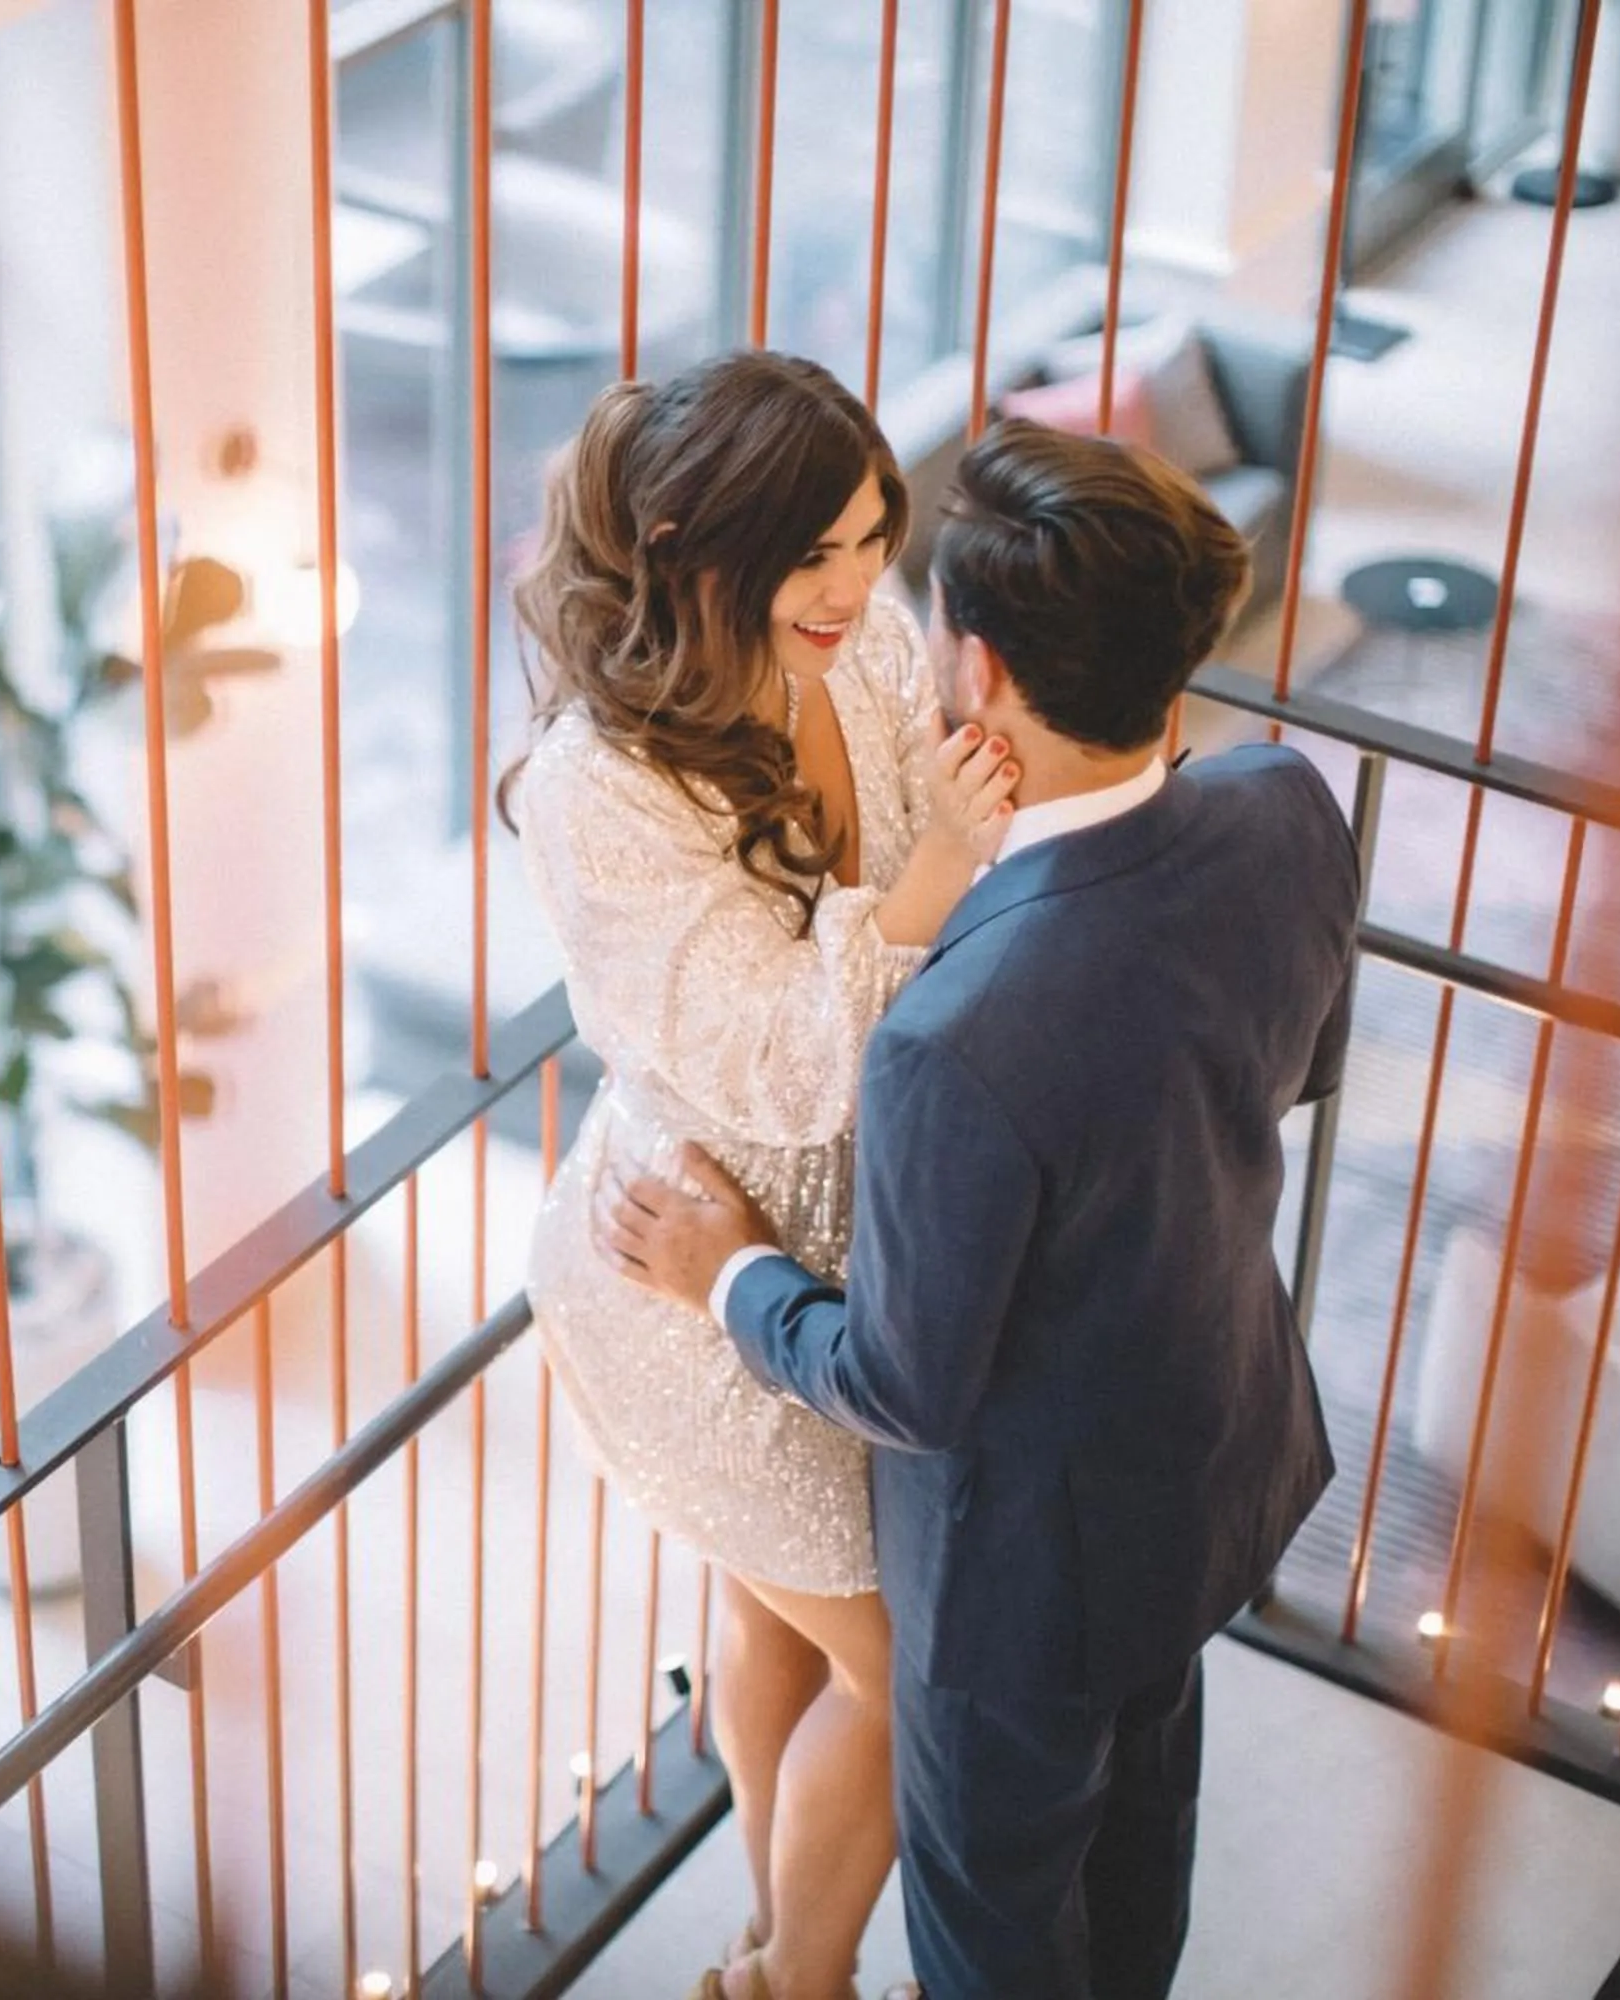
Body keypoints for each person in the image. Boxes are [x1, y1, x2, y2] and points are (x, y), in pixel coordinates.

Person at [601, 418, 1358, 2000]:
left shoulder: (954, 1038)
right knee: (1146, 1839)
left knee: (997, 1936)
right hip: (1216, 1457)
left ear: (982, 671)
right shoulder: (1289, 807)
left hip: (1027, 1589)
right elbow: (1294, 1065)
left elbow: (900, 1384)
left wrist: (727, 1266)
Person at [505, 352, 1018, 2000]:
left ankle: (770, 1934)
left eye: (874, 535)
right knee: (907, 1676)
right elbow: (792, 1067)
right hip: (691, 1268)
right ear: (687, 548)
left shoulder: (854, 636)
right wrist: (943, 858)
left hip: (845, 1236)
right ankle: (804, 1977)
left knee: (781, 1631)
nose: (861, 585)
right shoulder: (598, 789)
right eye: (814, 553)